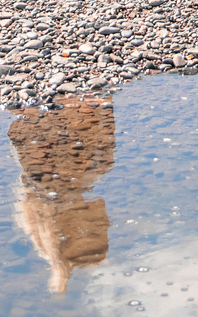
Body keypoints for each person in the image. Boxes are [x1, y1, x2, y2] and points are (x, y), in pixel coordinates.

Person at [8, 95, 117, 292]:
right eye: (102, 230)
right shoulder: (98, 165)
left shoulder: (45, 178)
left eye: (97, 231)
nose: (107, 223)